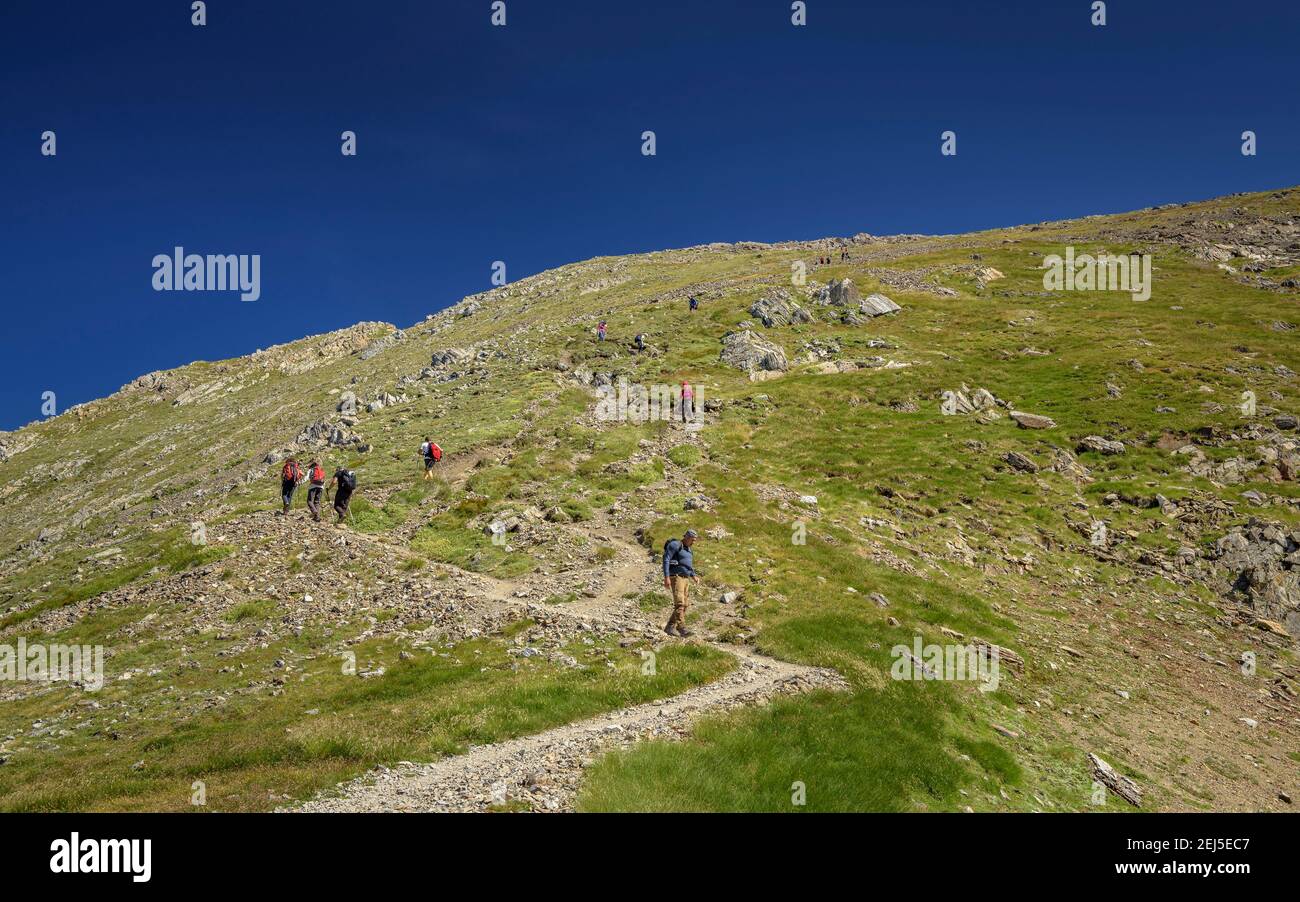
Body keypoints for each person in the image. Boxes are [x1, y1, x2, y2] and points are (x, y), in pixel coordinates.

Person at [662, 529, 701, 637]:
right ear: (687, 537)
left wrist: (693, 576)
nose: (693, 542)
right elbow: (666, 559)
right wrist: (666, 577)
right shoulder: (675, 545)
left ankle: (669, 627)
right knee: (680, 603)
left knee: (685, 605)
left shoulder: (689, 550)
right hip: (676, 577)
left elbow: (688, 565)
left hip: (686, 578)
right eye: (692, 540)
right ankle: (681, 628)